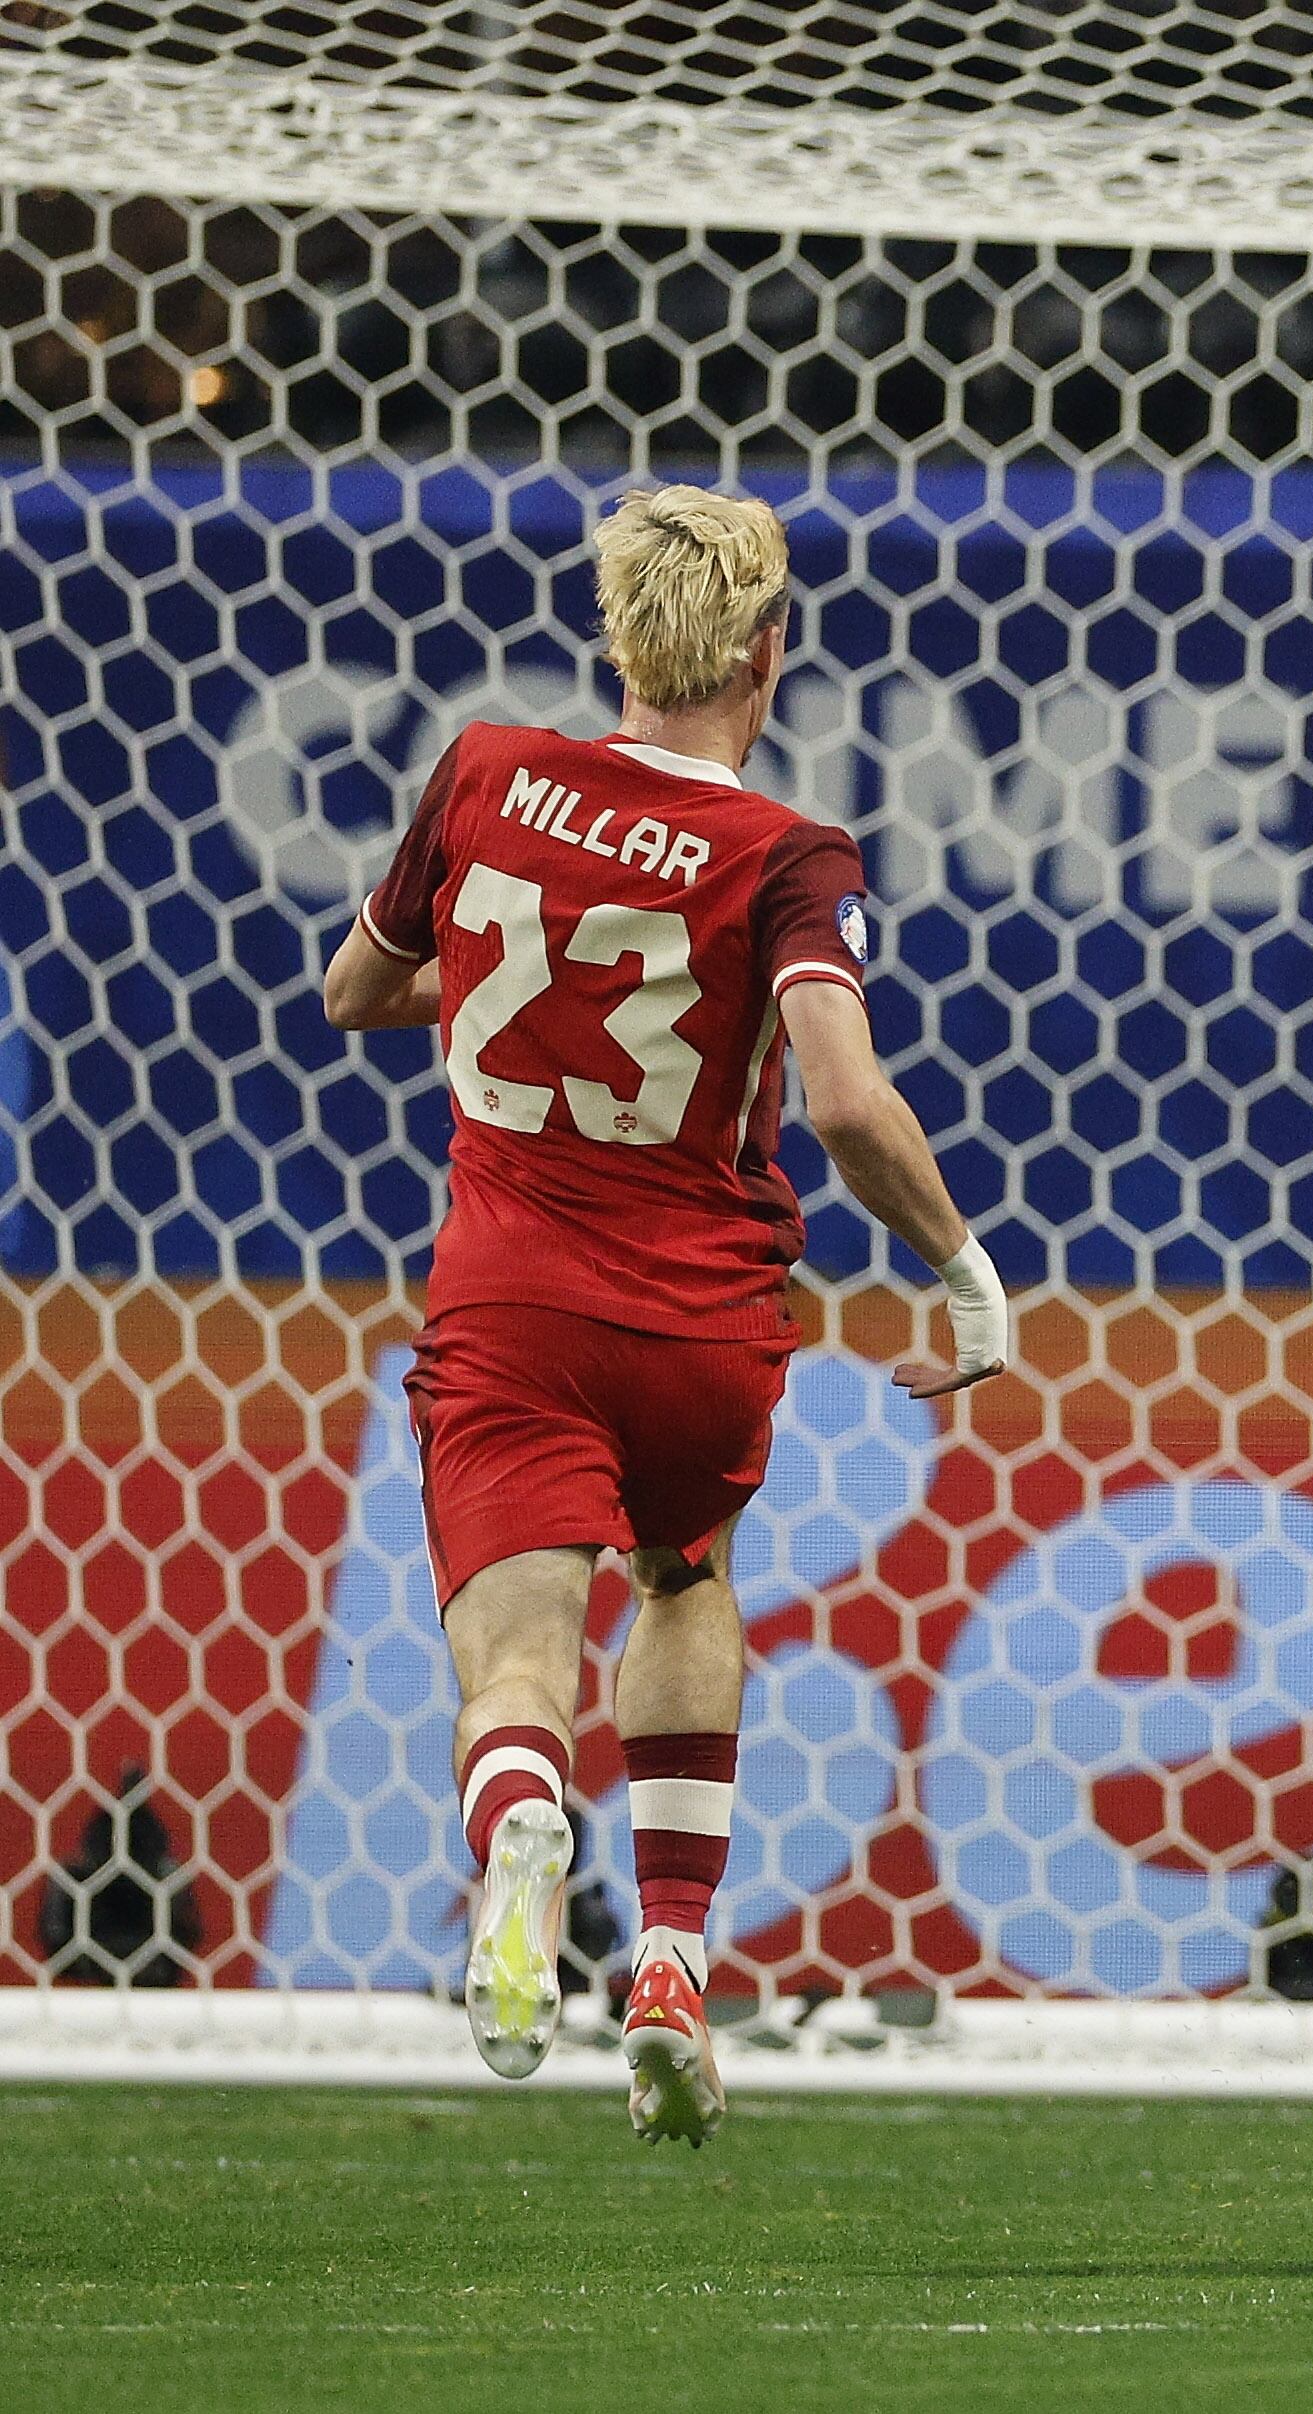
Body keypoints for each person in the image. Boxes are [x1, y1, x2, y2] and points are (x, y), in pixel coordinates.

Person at [320, 486, 1006, 2143]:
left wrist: (514, 995)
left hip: (509, 1300)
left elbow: (355, 993)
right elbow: (842, 1102)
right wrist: (960, 1266)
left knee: (514, 1654)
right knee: (686, 1570)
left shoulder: (486, 770)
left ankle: (523, 1829)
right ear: (767, 655)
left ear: (617, 640)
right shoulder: (786, 855)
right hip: (703, 1320)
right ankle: (677, 1964)